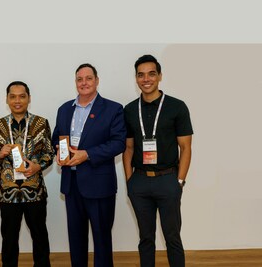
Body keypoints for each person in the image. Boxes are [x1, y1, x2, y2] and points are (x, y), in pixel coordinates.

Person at [52, 63, 126, 267]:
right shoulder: (65, 109)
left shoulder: (113, 109)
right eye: (79, 79)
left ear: (97, 81)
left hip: (99, 186)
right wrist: (59, 150)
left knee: (102, 239)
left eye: (88, 78)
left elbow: (118, 143)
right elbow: (57, 138)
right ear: (75, 82)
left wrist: (87, 154)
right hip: (71, 184)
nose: (84, 83)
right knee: (76, 238)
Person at [123, 55, 193, 267]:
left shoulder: (177, 107)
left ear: (160, 76)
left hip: (168, 180)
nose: (146, 79)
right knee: (145, 239)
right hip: (140, 182)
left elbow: (186, 148)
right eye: (141, 74)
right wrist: (130, 182)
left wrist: (179, 182)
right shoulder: (129, 110)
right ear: (136, 78)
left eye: (151, 74)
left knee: (172, 238)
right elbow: (128, 148)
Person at [0, 81, 54, 267]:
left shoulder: (41, 123)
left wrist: (38, 166)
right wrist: (0, 154)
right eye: (12, 96)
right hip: (8, 193)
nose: (17, 100)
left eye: (22, 96)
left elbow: (49, 153)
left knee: (40, 236)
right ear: (6, 99)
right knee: (9, 239)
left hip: (35, 191)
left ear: (29, 99)